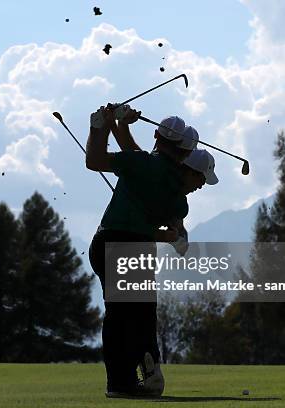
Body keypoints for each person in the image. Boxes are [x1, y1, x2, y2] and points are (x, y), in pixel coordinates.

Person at [86, 105, 218, 398]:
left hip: (105, 242)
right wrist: (119, 126)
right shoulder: (177, 199)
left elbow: (95, 160)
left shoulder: (142, 163)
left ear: (156, 136)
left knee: (123, 316)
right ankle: (129, 377)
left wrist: (103, 125)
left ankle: (125, 379)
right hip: (133, 247)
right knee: (136, 316)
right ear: (186, 155)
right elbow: (172, 227)